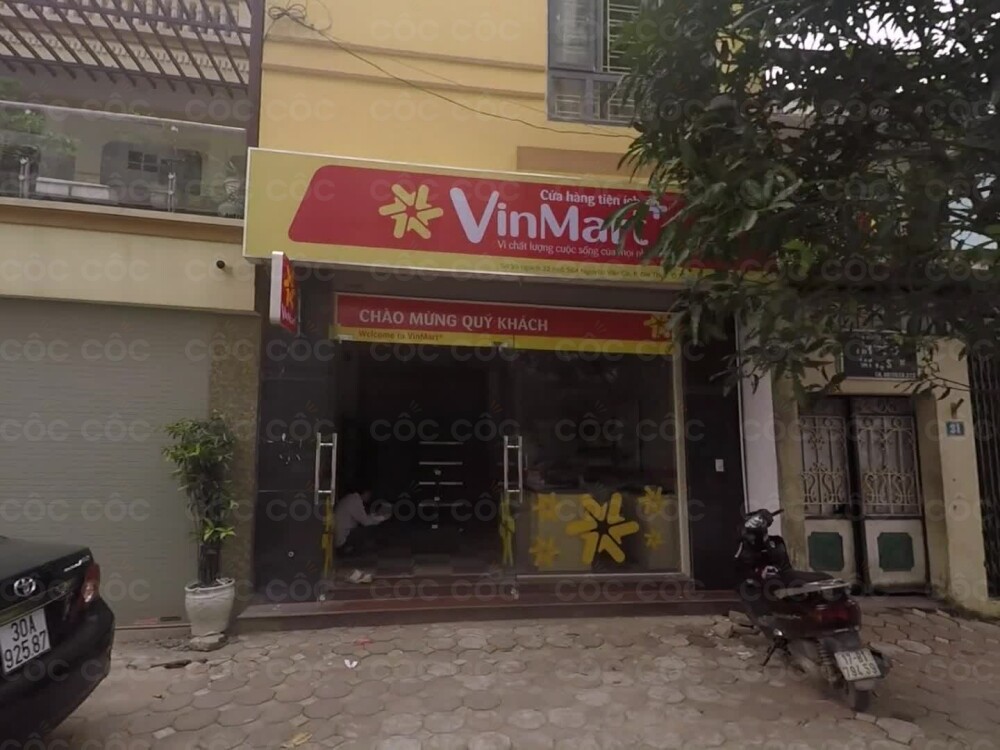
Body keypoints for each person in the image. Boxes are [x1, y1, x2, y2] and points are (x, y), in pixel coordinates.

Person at [334, 488, 390, 584]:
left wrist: (375, 517)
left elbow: (362, 518)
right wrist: (381, 518)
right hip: (343, 538)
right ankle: (356, 553)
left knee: (367, 529)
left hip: (342, 535)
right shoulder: (354, 500)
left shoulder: (349, 499)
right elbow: (365, 521)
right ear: (366, 493)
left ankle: (356, 553)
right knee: (370, 530)